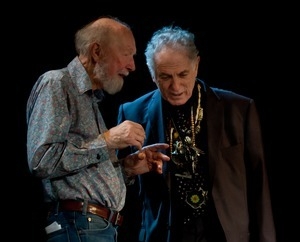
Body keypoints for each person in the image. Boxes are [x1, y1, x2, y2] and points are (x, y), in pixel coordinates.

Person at [116, 25, 276, 242]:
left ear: (196, 65)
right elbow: (121, 194)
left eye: (183, 74)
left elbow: (260, 186)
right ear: (152, 75)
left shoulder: (239, 109)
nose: (176, 86)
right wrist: (128, 168)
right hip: (164, 235)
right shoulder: (132, 113)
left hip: (226, 234)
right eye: (165, 77)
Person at [26, 16, 170, 242]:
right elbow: (42, 161)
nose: (132, 66)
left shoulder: (90, 98)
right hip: (77, 226)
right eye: (127, 54)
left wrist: (126, 168)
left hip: (94, 228)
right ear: (96, 51)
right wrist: (108, 140)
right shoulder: (56, 83)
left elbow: (80, 174)